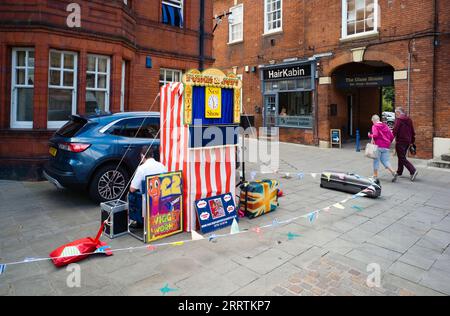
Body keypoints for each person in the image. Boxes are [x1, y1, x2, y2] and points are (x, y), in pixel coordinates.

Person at [129, 146, 167, 227]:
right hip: (161, 197)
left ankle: (140, 222)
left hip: (146, 200)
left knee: (131, 195)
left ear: (143, 156)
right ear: (152, 155)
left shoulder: (142, 168)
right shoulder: (162, 166)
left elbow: (132, 189)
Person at [368, 115, 397, 183]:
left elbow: (375, 135)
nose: (372, 123)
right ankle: (394, 172)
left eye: (372, 121)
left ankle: (375, 176)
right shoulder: (386, 126)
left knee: (376, 160)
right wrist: (387, 142)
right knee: (385, 161)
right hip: (386, 146)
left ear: (374, 120)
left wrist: (369, 135)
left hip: (378, 146)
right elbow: (392, 136)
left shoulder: (375, 126)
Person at [393, 107, 418, 181]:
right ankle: (399, 171)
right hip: (407, 142)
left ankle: (413, 170)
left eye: (396, 113)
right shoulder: (409, 119)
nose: (395, 115)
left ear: (398, 112)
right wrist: (412, 141)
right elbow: (412, 131)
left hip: (400, 141)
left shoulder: (399, 120)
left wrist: (389, 139)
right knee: (401, 156)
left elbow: (395, 131)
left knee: (402, 157)